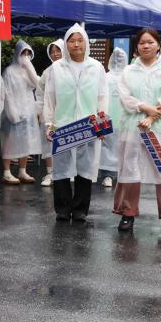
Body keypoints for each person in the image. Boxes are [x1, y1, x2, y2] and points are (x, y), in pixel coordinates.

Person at [113, 28, 161, 235]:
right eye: (141, 43)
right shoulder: (129, 71)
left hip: (159, 129)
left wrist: (151, 116)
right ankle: (127, 213)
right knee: (130, 171)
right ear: (136, 47)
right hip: (132, 128)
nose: (146, 46)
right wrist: (143, 107)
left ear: (158, 45)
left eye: (150, 42)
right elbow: (125, 97)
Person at [41, 23, 108, 223]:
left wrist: (102, 124)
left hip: (88, 125)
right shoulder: (57, 67)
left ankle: (80, 209)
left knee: (85, 168)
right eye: (72, 41)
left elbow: (102, 97)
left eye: (80, 40)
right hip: (62, 125)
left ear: (86, 42)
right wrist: (49, 123)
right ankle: (62, 209)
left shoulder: (96, 67)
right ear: (66, 44)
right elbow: (49, 97)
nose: (76, 44)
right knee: (61, 169)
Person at [1, 40, 43, 185]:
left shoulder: (27, 70)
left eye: (28, 54)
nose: (25, 57)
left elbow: (36, 84)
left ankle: (22, 170)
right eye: (23, 53)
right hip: (13, 110)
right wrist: (12, 112)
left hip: (27, 110)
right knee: (10, 141)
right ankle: (7, 172)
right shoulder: (9, 71)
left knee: (25, 141)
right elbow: (6, 93)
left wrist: (29, 68)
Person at [35, 40, 64, 186]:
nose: (55, 54)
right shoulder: (47, 72)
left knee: (65, 142)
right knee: (49, 143)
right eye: (52, 51)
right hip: (50, 115)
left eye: (58, 50)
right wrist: (40, 112)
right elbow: (40, 94)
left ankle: (65, 173)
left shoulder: (69, 69)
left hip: (65, 114)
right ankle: (50, 173)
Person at [98, 47, 128, 188]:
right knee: (119, 147)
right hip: (120, 119)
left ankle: (108, 176)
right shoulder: (127, 78)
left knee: (107, 148)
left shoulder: (105, 77)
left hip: (109, 119)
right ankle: (116, 175)